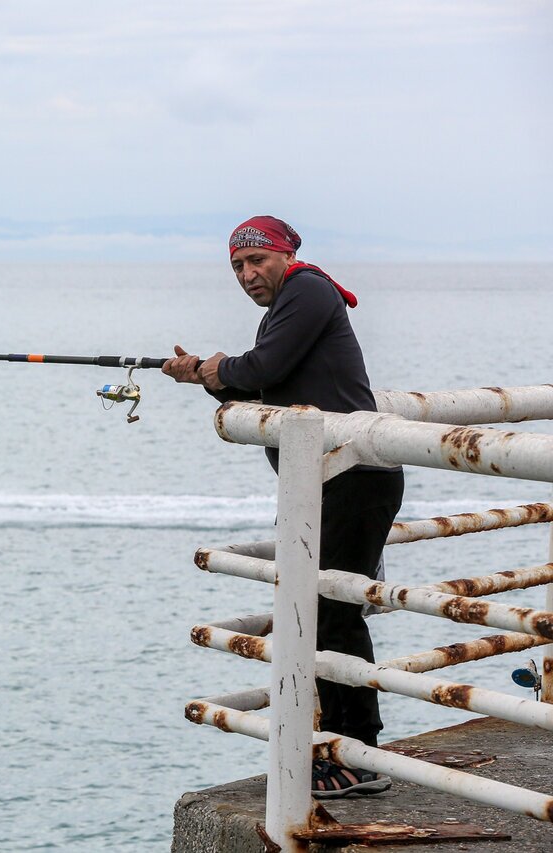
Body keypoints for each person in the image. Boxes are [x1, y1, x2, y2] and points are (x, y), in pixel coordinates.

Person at [162, 215, 404, 799]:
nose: (248, 275)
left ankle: (361, 756)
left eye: (256, 261)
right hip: (329, 481)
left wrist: (217, 369)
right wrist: (202, 375)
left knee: (334, 613)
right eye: (238, 268)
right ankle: (347, 751)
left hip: (354, 477)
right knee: (323, 610)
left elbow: (261, 368)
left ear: (284, 256)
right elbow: (260, 380)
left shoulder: (308, 290)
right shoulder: (286, 308)